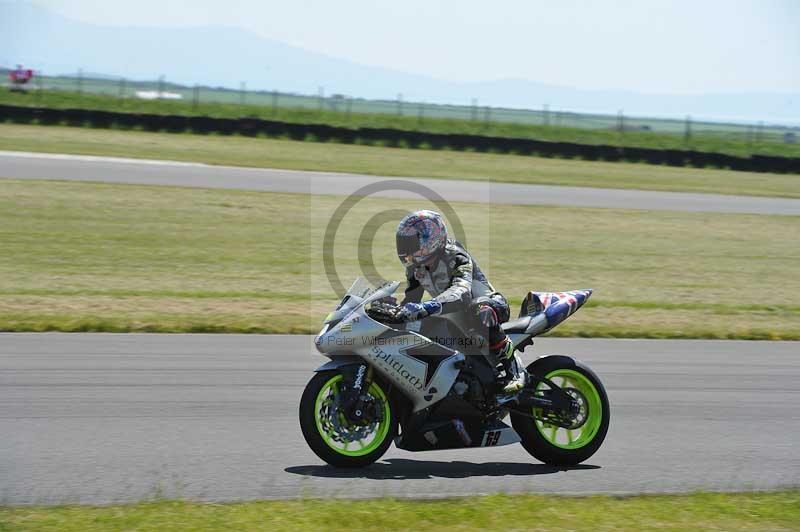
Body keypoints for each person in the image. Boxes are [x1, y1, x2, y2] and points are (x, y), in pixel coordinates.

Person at [393, 209, 526, 394]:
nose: (405, 248)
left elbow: (461, 292)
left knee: (480, 310)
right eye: (403, 243)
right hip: (454, 315)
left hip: (490, 306)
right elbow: (411, 299)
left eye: (410, 243)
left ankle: (513, 367)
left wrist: (428, 306)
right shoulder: (416, 267)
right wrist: (394, 311)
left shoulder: (455, 255)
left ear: (429, 239)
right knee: (414, 326)